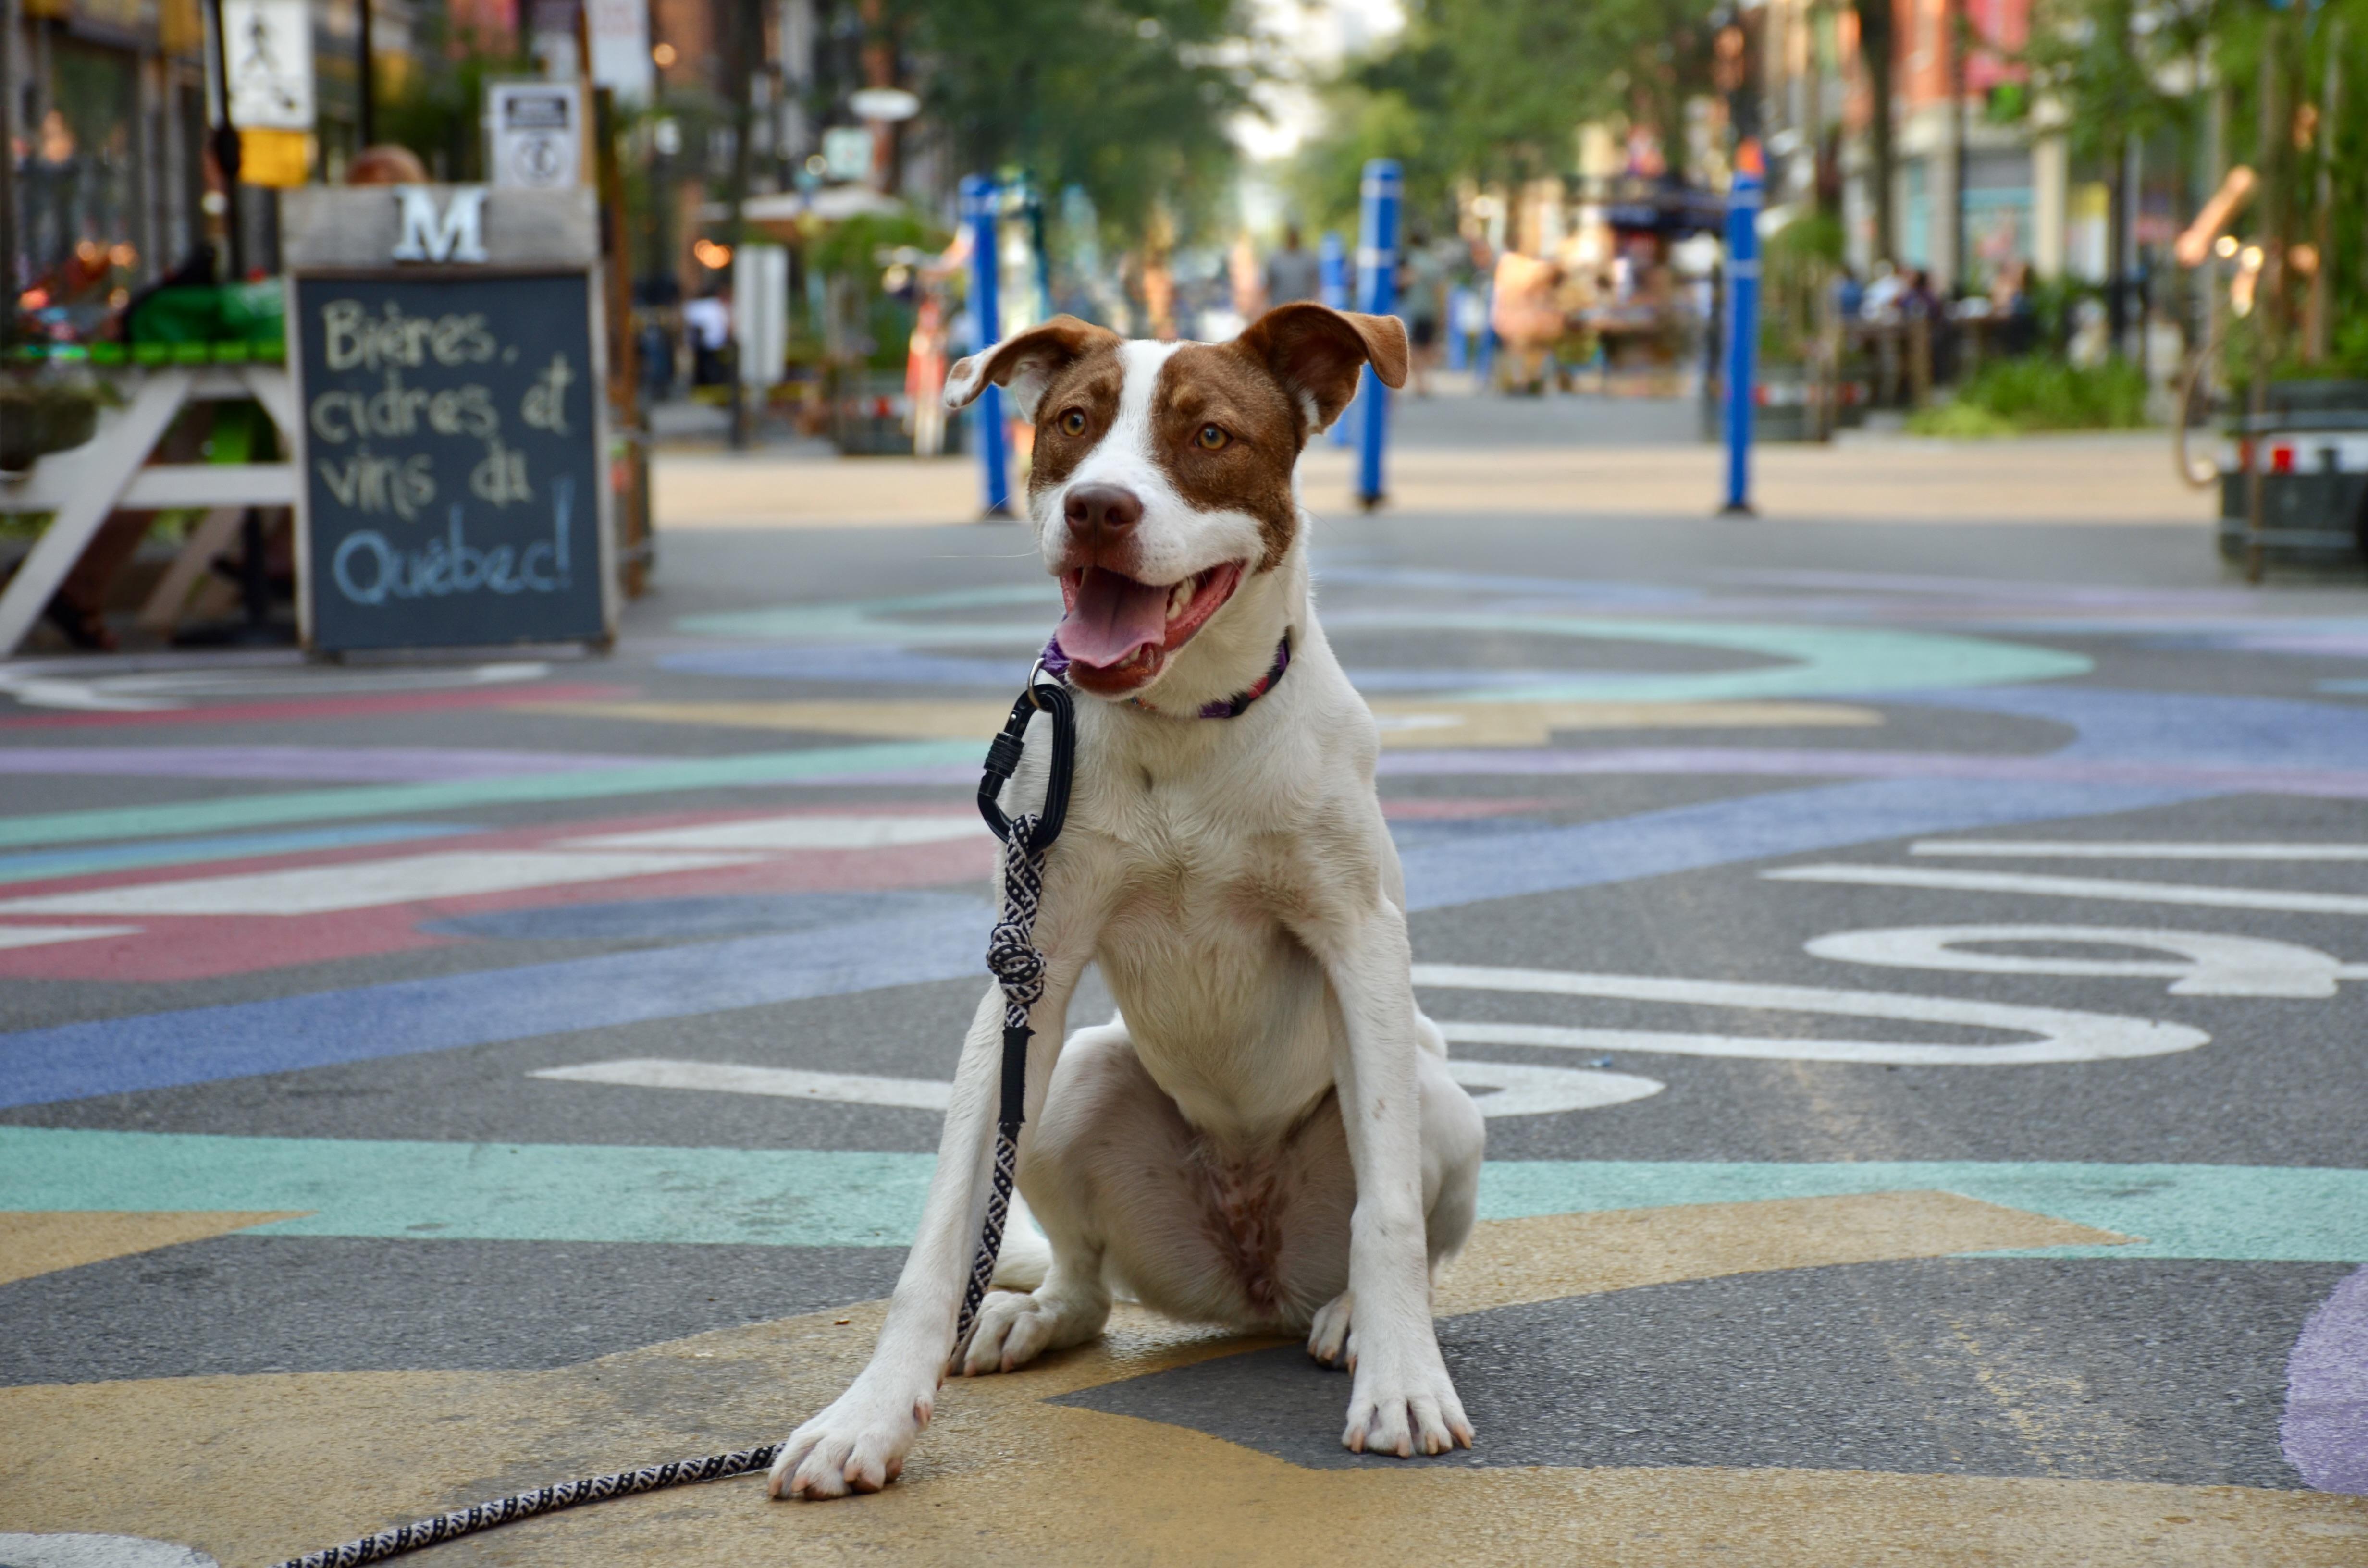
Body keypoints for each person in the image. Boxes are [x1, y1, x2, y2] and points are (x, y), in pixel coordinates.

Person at [1262, 225, 1320, 308]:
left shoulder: (1308, 257)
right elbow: (1269, 284)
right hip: (1280, 308)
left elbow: (1316, 282)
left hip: (1303, 309)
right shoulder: (1275, 259)